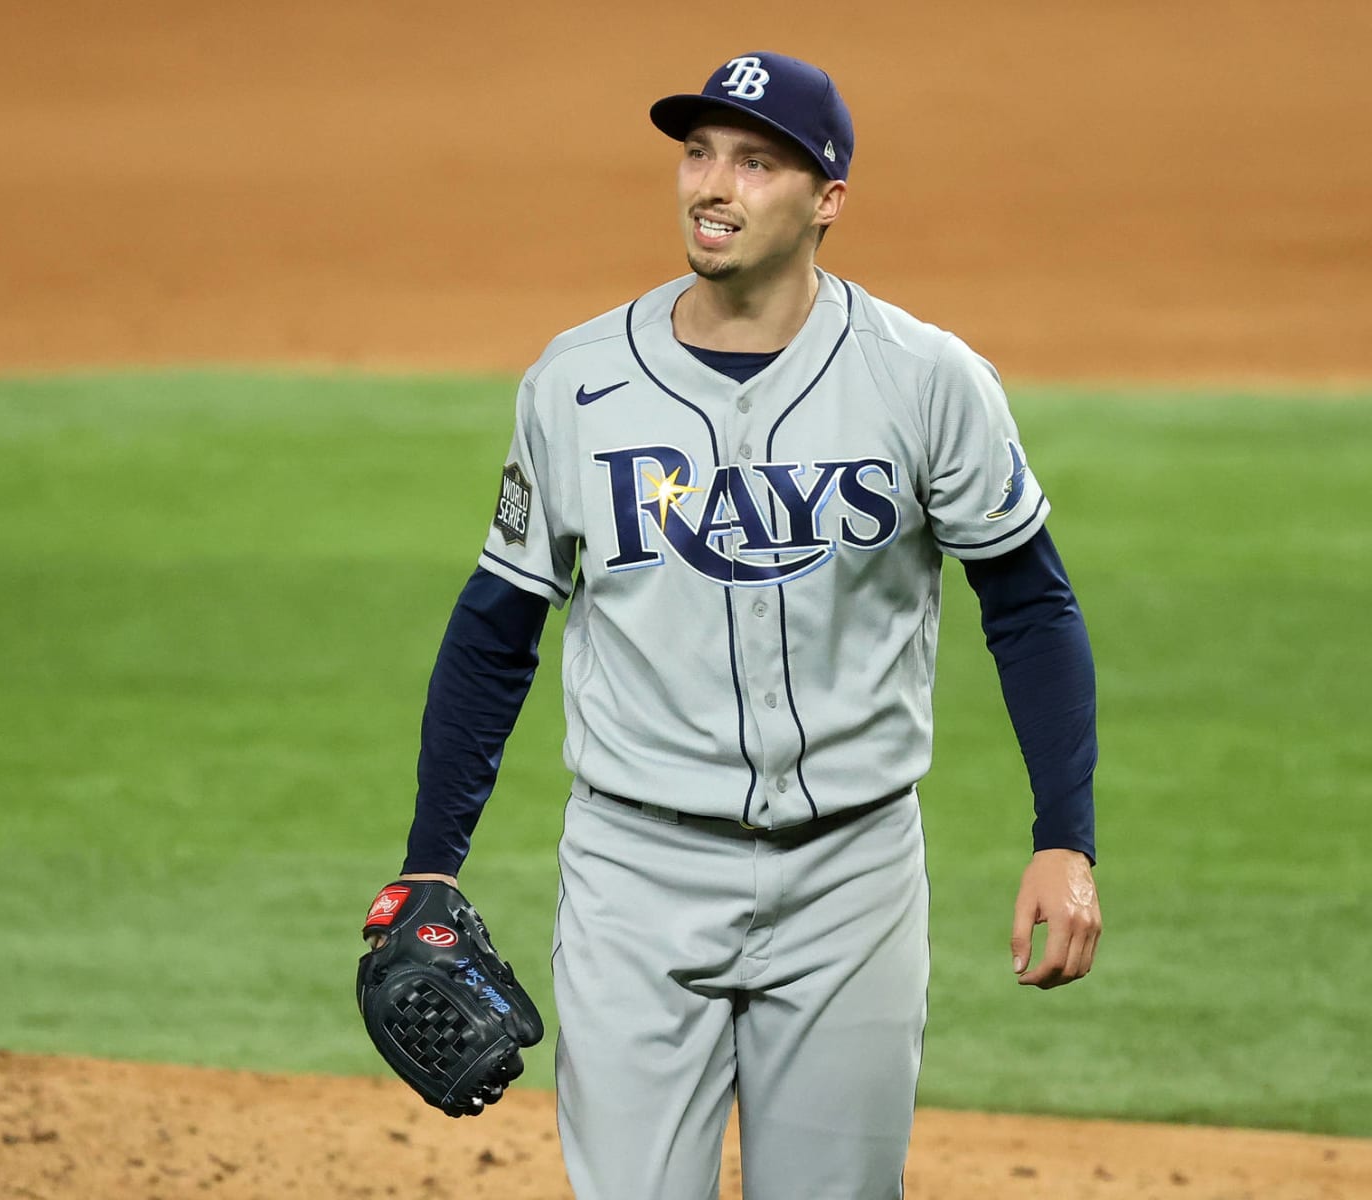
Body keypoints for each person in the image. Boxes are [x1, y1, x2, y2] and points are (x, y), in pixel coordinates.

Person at [374, 50, 1101, 1200]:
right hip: (634, 873)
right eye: (698, 152)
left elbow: (1030, 606)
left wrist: (1065, 837)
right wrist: (431, 862)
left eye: (755, 162)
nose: (713, 185)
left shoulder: (925, 380)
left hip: (853, 876)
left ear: (828, 202)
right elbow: (494, 629)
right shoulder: (574, 383)